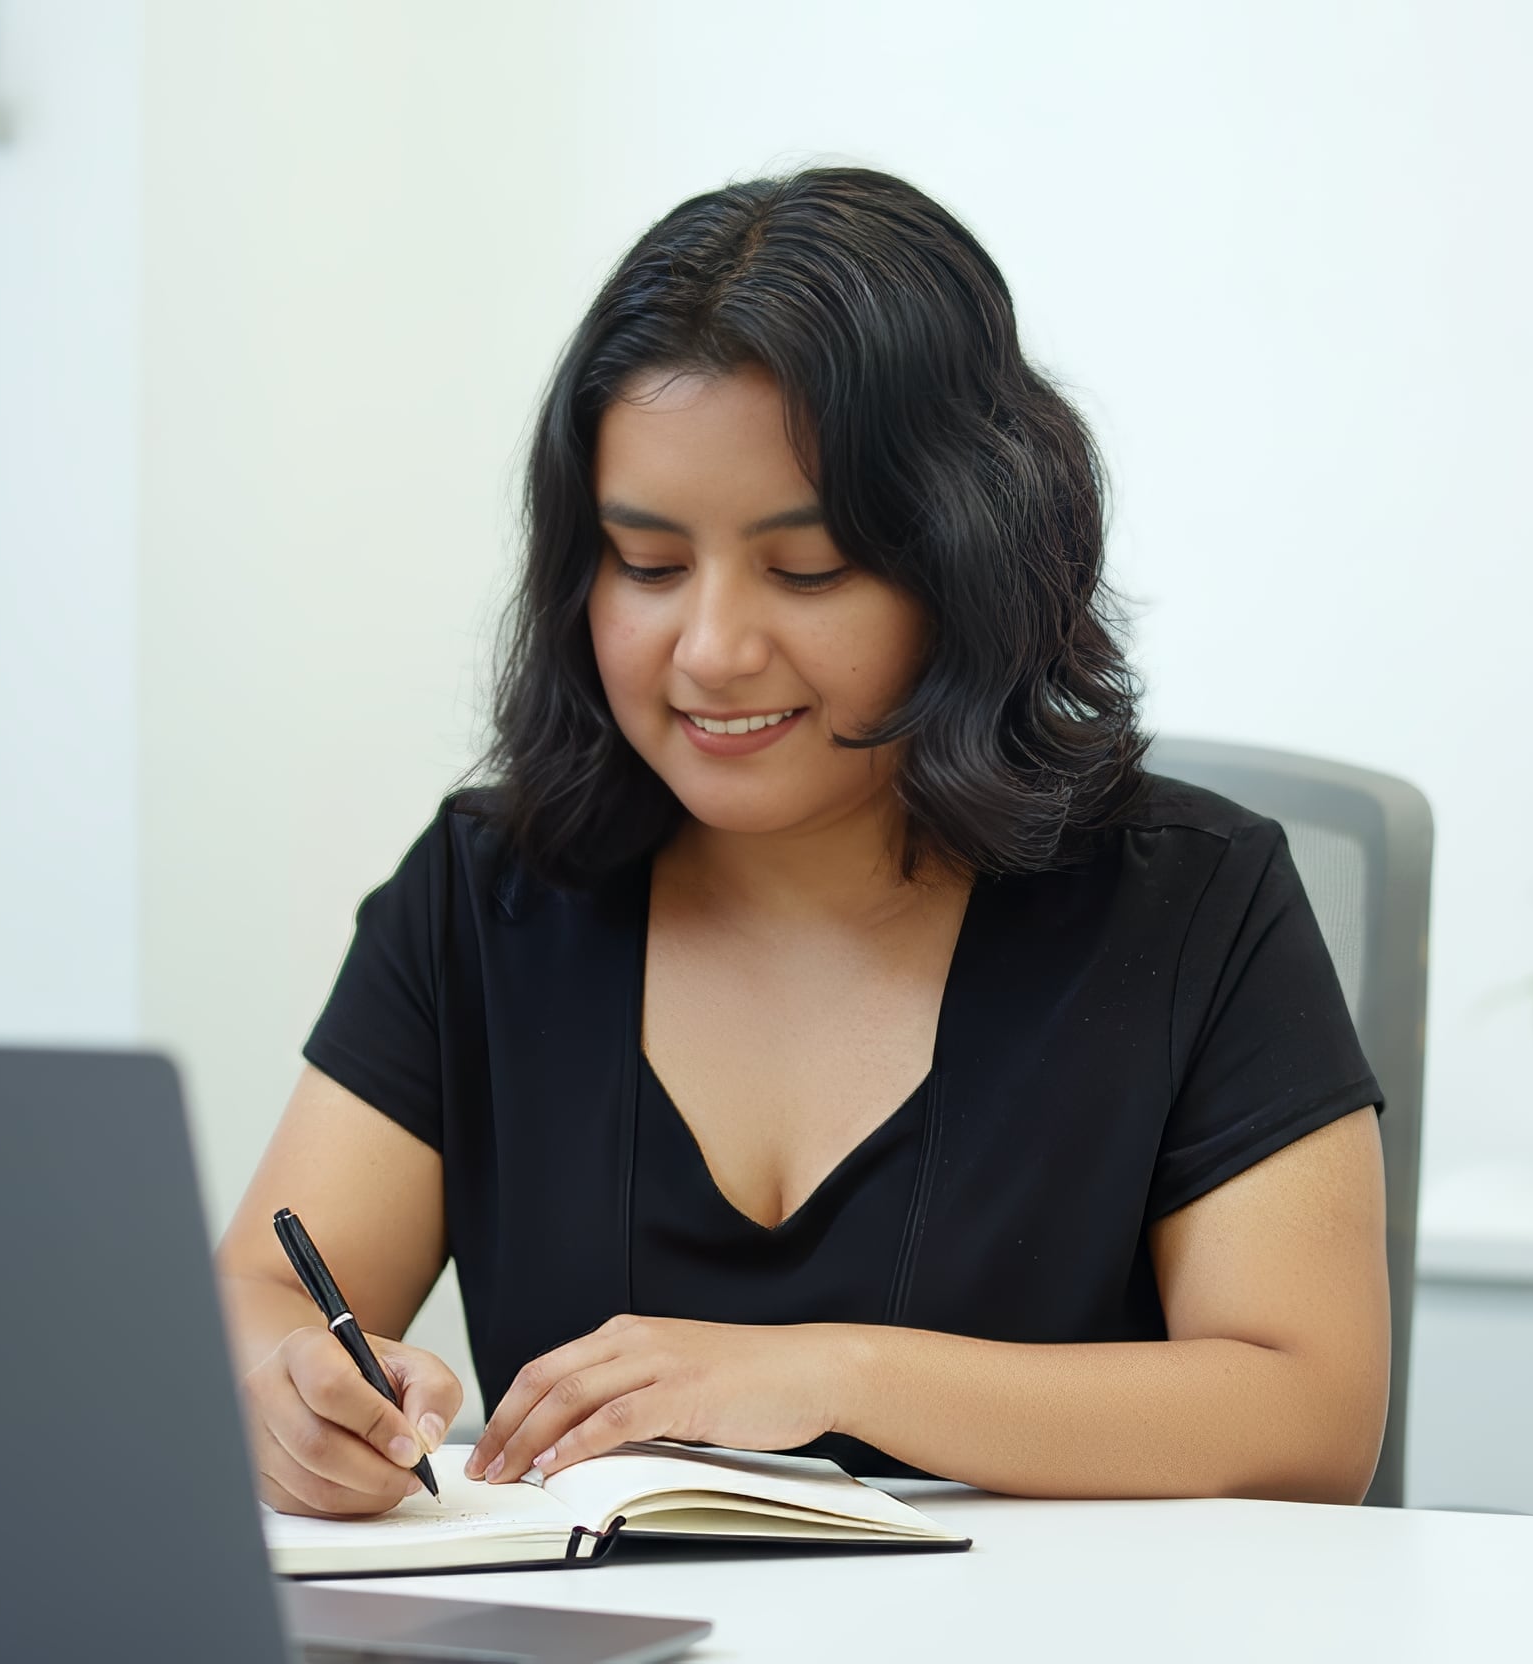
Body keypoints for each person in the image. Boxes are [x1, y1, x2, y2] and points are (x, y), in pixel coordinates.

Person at [213, 166, 1390, 1518]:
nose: (711, 650)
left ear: (972, 560)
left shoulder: (1195, 902)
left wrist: (831, 1376)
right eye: (647, 565)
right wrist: (293, 1393)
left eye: (809, 568)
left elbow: (1309, 1415)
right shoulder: (490, 894)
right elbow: (257, 1291)